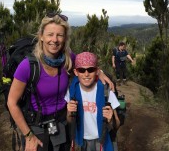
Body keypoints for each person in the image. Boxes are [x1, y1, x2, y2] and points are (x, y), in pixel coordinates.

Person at [7, 13, 114, 151]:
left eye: (60, 35)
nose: (55, 40)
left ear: (65, 39)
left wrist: (100, 72)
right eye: (50, 34)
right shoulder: (28, 66)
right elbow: (12, 102)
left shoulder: (68, 59)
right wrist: (28, 135)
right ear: (41, 36)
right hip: (36, 128)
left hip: (62, 126)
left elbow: (85, 65)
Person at [66, 52, 120, 151]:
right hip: (80, 142)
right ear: (76, 72)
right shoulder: (71, 91)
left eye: (90, 69)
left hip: (101, 142)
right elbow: (69, 121)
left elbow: (117, 123)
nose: (86, 74)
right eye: (81, 70)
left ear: (97, 71)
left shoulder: (106, 92)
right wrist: (69, 112)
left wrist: (110, 119)